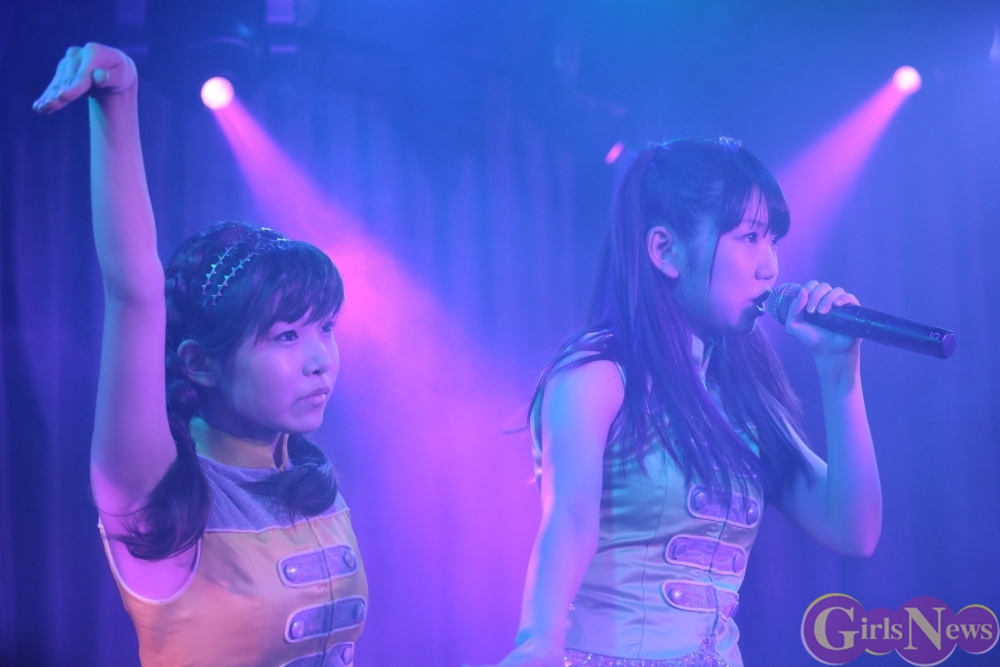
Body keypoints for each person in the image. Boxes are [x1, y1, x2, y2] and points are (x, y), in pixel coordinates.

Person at [34, 44, 367, 667]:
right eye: (286, 336)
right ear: (200, 362)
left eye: (325, 328)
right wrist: (119, 100)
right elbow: (134, 294)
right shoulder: (155, 490)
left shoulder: (308, 481)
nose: (320, 359)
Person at [491, 139, 882, 667]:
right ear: (665, 251)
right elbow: (570, 518)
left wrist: (840, 374)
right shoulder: (596, 377)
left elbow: (853, 529)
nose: (770, 267)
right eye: (749, 237)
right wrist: (538, 643)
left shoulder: (743, 398)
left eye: (773, 241)